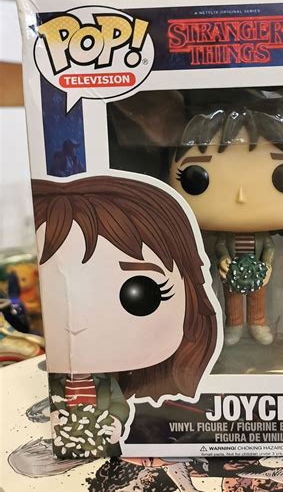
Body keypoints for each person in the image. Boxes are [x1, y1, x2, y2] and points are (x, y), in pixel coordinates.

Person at [32, 175, 220, 456]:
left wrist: (116, 424)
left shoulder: (108, 385)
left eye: (141, 294)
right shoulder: (54, 383)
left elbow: (119, 406)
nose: (78, 325)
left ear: (191, 294)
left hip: (108, 440)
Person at [170, 87, 283, 347]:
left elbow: (268, 248)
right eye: (196, 178)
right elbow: (220, 246)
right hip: (231, 272)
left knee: (258, 298)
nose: (241, 196)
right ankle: (234, 326)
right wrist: (223, 260)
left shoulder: (263, 236)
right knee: (232, 299)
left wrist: (267, 266)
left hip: (259, 272)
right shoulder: (224, 236)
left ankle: (258, 324)